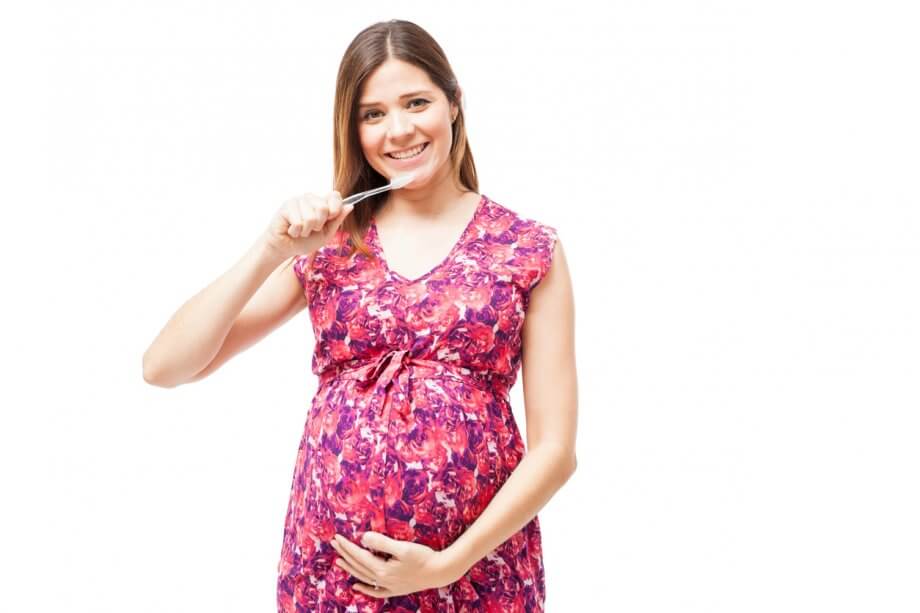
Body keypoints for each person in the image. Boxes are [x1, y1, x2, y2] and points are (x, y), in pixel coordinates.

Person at [142, 18, 578, 612]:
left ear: (454, 103)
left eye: (416, 102)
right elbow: (165, 366)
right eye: (373, 114)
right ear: (353, 128)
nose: (398, 130)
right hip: (332, 577)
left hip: (477, 573)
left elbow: (555, 450)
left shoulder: (526, 248)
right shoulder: (331, 244)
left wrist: (447, 564)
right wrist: (271, 249)